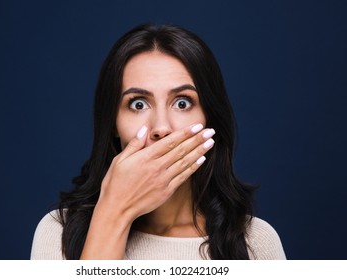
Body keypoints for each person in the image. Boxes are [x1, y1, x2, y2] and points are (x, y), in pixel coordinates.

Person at [30, 23, 286, 260]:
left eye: (182, 103)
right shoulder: (58, 233)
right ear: (113, 125)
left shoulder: (255, 242)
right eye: (138, 104)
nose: (161, 128)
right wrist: (114, 213)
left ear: (210, 120)